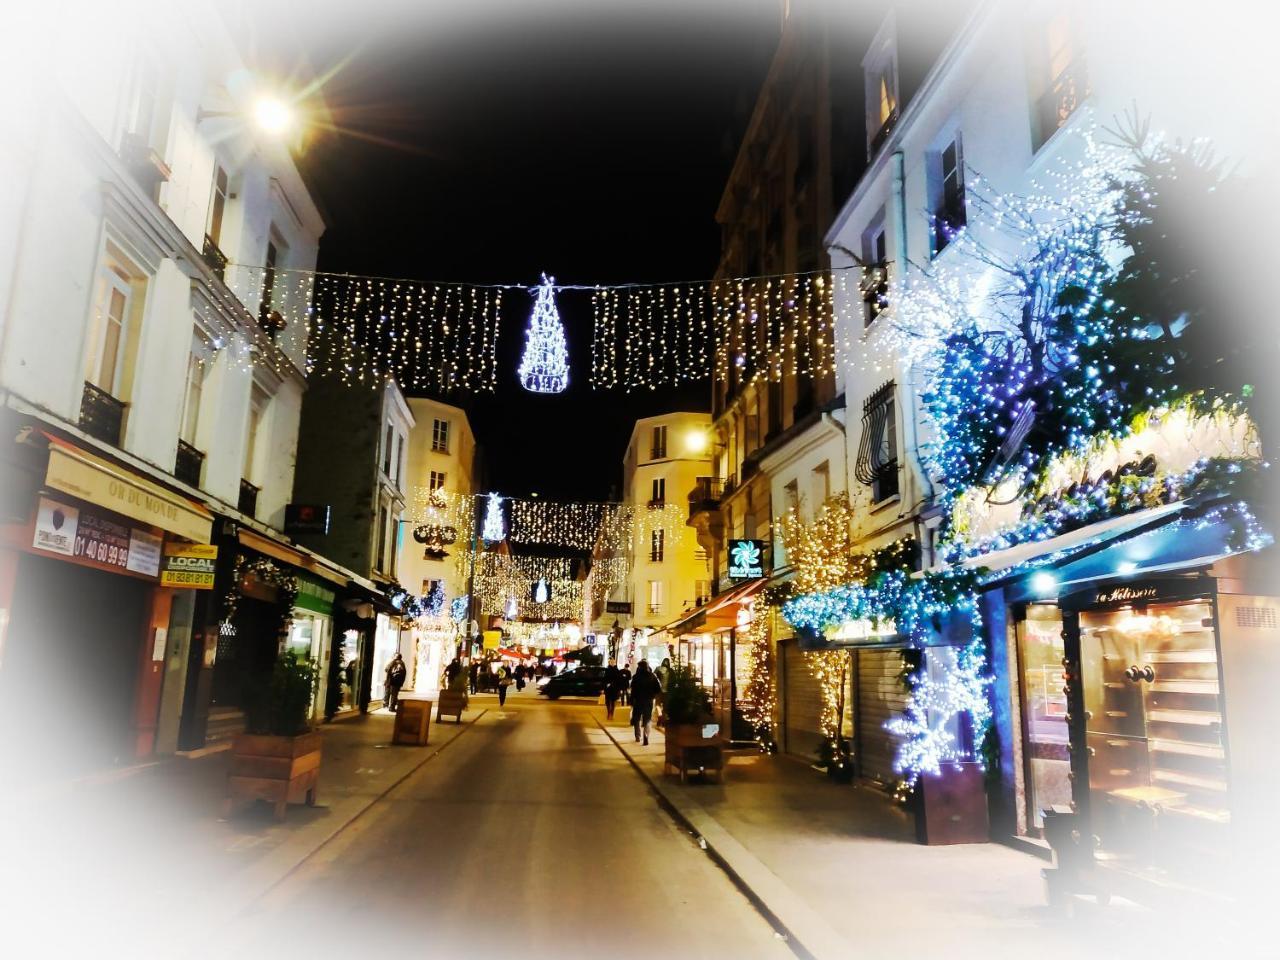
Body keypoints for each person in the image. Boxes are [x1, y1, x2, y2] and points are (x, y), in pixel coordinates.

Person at [629, 661, 662, 745]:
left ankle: (638, 736)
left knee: (637, 718)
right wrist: (652, 695)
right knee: (647, 718)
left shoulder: (636, 677)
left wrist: (631, 701)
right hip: (648, 700)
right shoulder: (652, 676)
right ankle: (646, 735)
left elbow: (633, 690)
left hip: (638, 700)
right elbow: (658, 689)